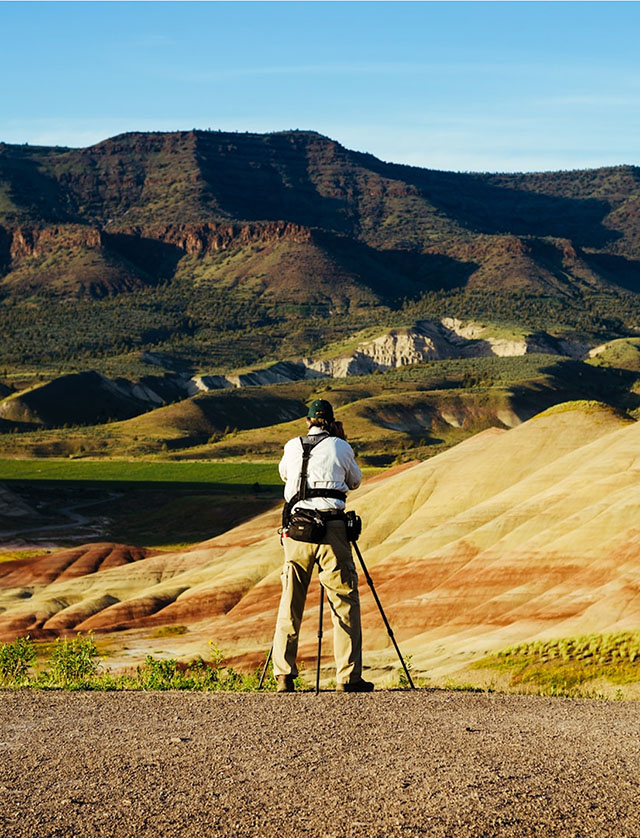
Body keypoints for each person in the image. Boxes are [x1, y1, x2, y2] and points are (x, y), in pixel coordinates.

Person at [272, 398, 374, 693]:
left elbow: (284, 475)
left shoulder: (292, 445)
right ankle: (348, 677)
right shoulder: (340, 446)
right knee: (344, 602)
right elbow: (354, 481)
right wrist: (341, 443)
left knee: (290, 601)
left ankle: (283, 675)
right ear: (331, 421)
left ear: (308, 422)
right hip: (332, 529)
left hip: (297, 530)